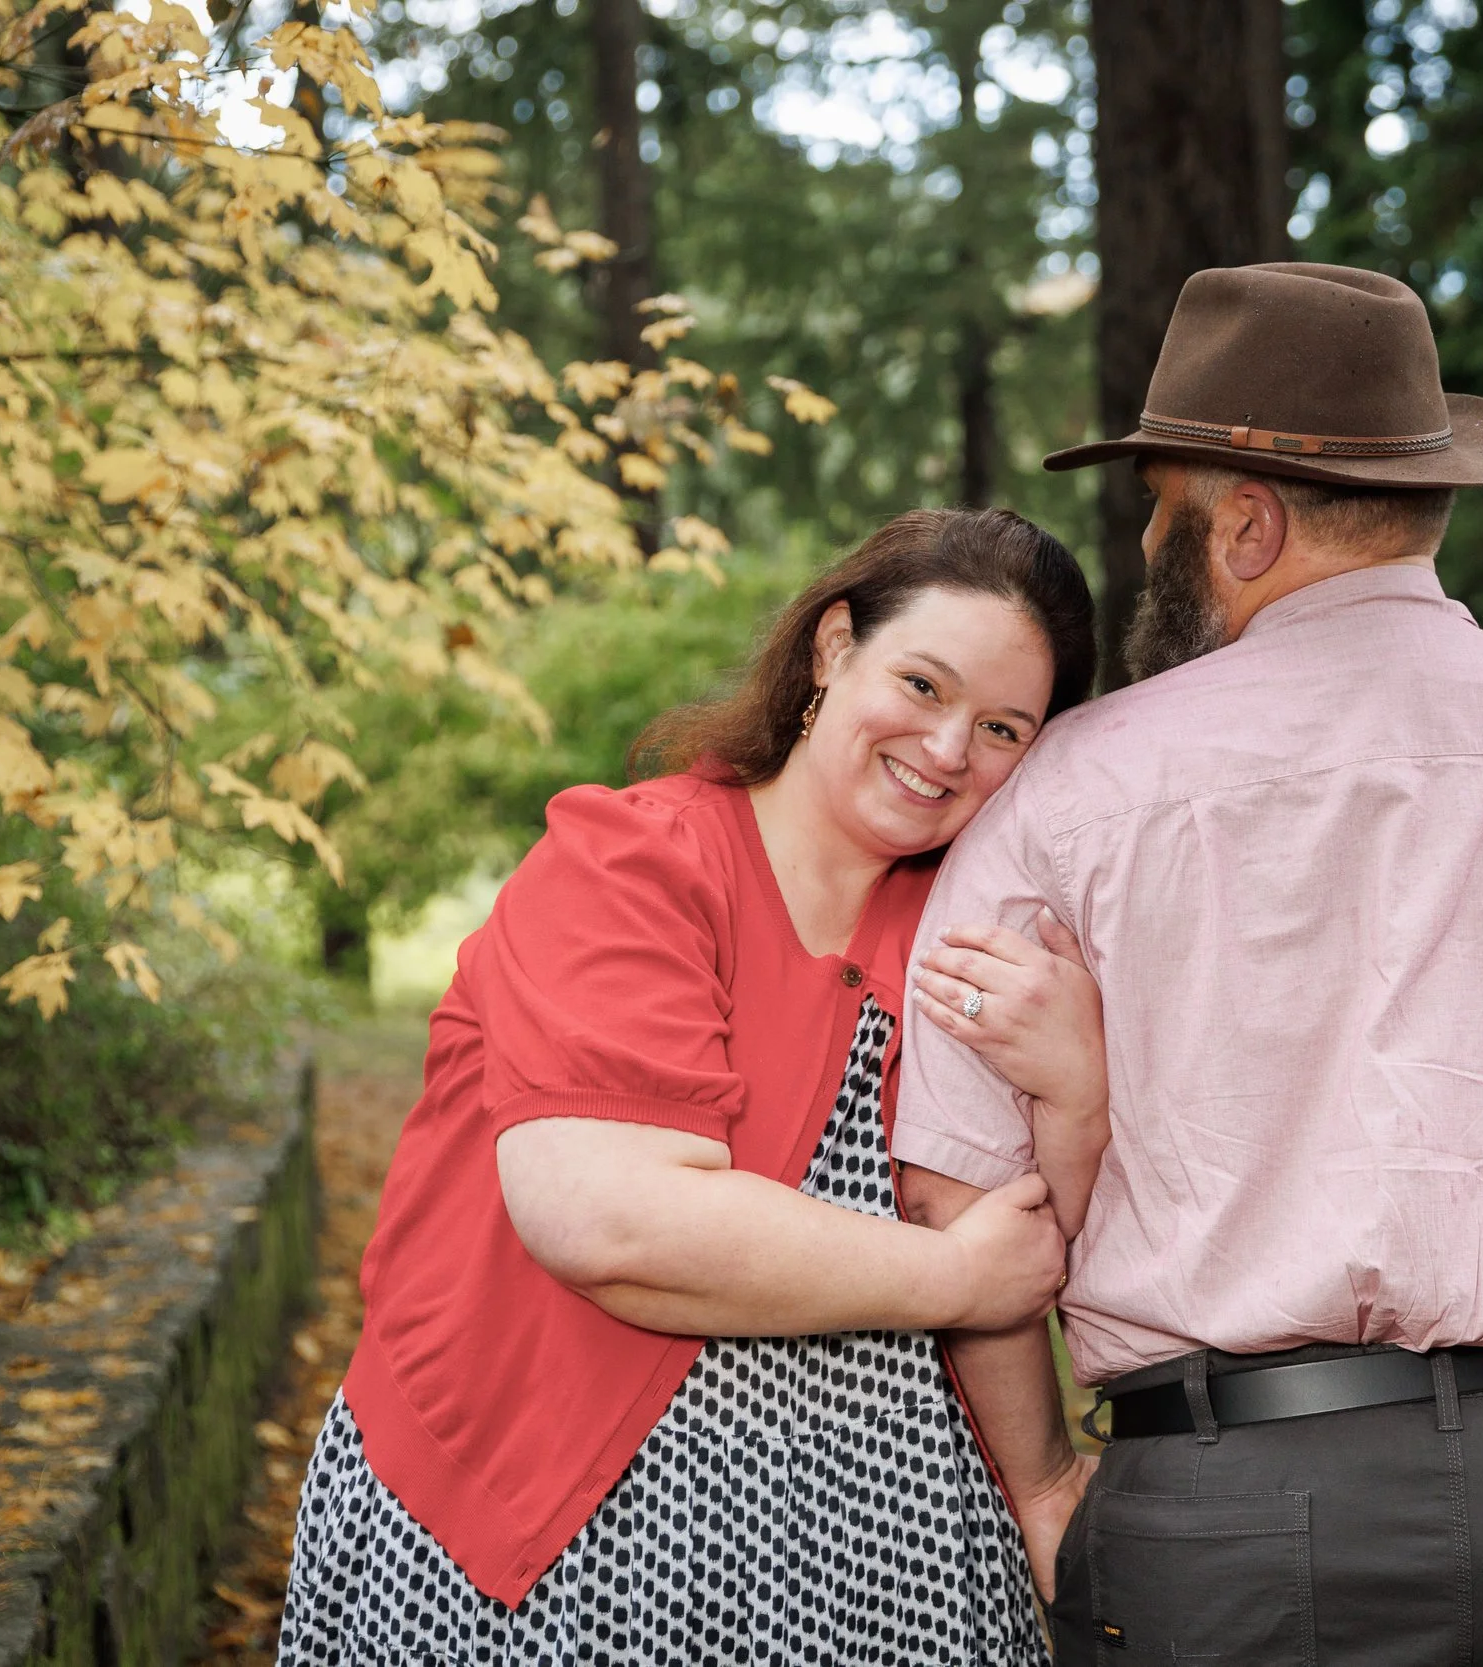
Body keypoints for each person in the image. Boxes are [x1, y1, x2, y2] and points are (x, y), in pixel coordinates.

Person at [894, 263, 1483, 1666]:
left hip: (1232, 1521)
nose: (1154, 540)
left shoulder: (1072, 792)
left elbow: (954, 1186)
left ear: (1251, 521)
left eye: (1166, 508)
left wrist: (1040, 1483)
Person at [275, 508, 1106, 1666]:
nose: (949, 746)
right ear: (831, 649)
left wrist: (1075, 1080)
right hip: (549, 1549)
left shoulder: (971, 935)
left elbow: (1035, 1238)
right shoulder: (629, 865)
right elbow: (610, 1218)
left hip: (878, 1563)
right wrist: (948, 1277)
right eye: (922, 683)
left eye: (1004, 725)